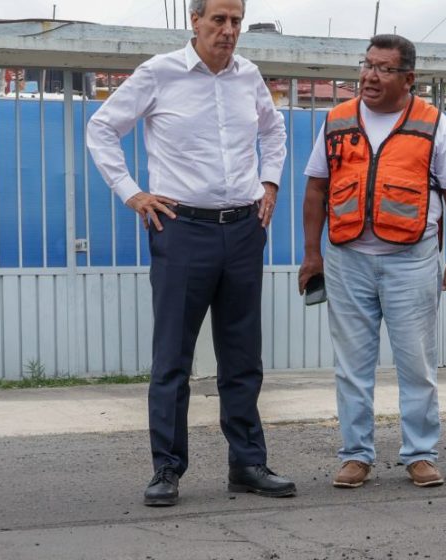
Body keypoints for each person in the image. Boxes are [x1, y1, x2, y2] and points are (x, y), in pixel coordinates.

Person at [87, 0, 295, 507]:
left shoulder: (249, 76)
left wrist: (269, 181)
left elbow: (273, 130)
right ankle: (167, 469)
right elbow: (101, 128)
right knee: (173, 359)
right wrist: (132, 192)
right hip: (182, 231)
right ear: (195, 21)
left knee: (243, 356)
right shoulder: (159, 73)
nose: (228, 30)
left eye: (236, 21)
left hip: (245, 229)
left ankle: (247, 463)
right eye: (218, 20)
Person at [298, 34, 446, 490]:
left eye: (383, 68)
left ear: (408, 78)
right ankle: (356, 455)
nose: (370, 76)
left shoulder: (436, 125)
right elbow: (315, 188)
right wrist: (311, 253)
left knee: (417, 363)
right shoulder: (336, 120)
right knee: (352, 365)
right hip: (346, 258)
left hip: (412, 261)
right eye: (367, 65)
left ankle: (420, 454)